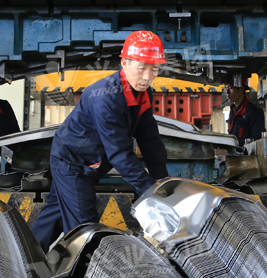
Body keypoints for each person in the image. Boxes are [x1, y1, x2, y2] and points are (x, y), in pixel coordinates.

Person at [31, 31, 169, 251]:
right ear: (124, 63)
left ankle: (26, 259)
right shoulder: (105, 97)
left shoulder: (143, 92)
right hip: (73, 162)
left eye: (154, 69)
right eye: (141, 67)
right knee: (85, 231)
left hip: (86, 159)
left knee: (55, 214)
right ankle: (83, 271)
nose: (147, 76)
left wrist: (162, 179)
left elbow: (148, 137)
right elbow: (119, 154)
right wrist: (151, 190)